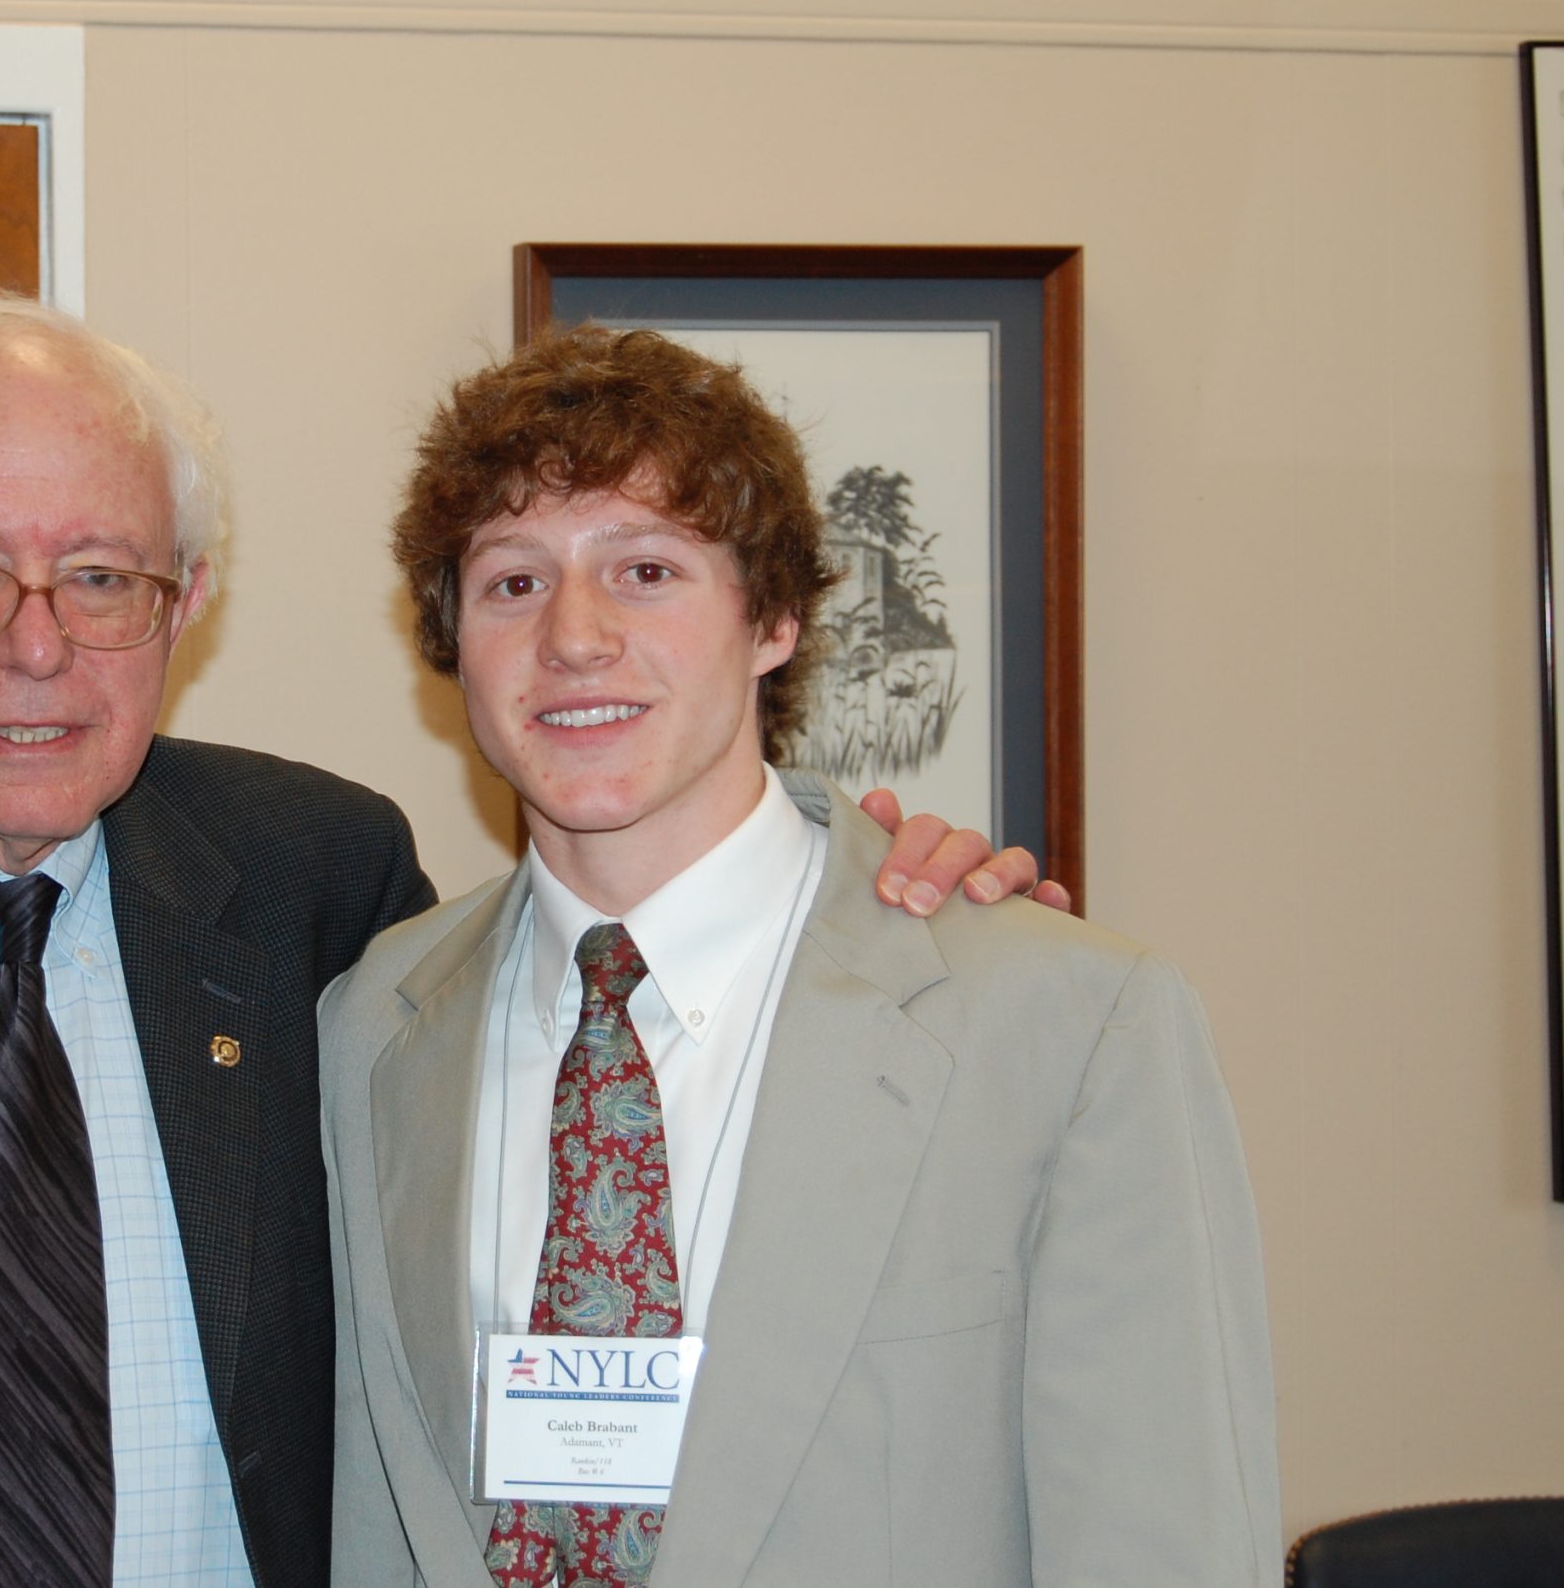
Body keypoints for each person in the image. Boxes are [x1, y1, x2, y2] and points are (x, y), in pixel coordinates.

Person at [0, 295, 1051, 1587]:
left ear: (189, 603)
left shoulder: (314, 883)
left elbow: (594, 1017)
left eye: (101, 578)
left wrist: (876, 880)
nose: (37, 648)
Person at [322, 324, 1279, 1587]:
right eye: (512, 581)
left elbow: (1168, 1549)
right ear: (455, 647)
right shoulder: (372, 1022)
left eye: (647, 569)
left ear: (771, 616)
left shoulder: (1067, 1024)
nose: (574, 636)